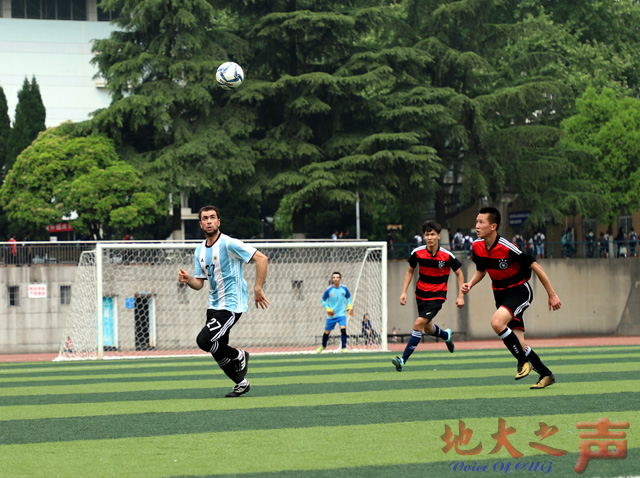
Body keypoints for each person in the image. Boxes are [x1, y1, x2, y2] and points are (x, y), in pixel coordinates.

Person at [461, 207, 561, 389]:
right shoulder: (477, 246)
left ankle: (522, 362)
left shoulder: (507, 247)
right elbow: (481, 270)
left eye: (481, 222)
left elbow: (536, 266)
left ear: (493, 226)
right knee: (519, 343)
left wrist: (552, 294)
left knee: (497, 322)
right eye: (476, 222)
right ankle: (546, 374)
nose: (477, 226)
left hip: (519, 292)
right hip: (500, 294)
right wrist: (471, 283)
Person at [177, 205, 269, 398]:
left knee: (204, 340)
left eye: (212, 217)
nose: (209, 221)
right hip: (213, 305)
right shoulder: (199, 251)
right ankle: (241, 383)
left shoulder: (229, 244)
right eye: (205, 218)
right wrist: (188, 280)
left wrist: (258, 288)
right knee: (216, 350)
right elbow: (199, 284)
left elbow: (262, 259)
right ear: (201, 224)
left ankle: (239, 355)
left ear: (218, 222)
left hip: (231, 305)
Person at [392, 220, 464, 372]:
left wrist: (460, 296)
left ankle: (402, 360)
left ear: (438, 236)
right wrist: (404, 291)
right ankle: (445, 335)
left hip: (437, 295)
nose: (429, 237)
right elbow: (410, 271)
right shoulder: (417, 253)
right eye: (427, 235)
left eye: (432, 234)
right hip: (421, 294)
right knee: (428, 328)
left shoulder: (447, 256)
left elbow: (459, 273)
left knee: (418, 324)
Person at [317, 272, 354, 353]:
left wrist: (349, 305)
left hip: (341, 314)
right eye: (334, 277)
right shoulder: (329, 289)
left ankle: (343, 348)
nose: (335, 279)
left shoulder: (344, 288)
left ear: (340, 279)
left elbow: (348, 298)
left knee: (343, 329)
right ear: (332, 279)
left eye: (337, 277)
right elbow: (323, 300)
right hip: (331, 315)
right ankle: (323, 345)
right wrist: (327, 308)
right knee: (327, 332)